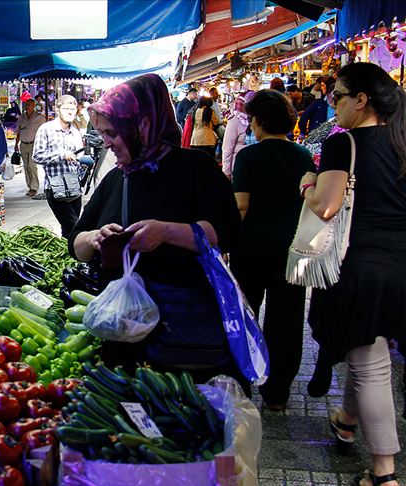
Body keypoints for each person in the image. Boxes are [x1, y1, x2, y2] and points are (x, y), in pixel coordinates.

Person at [72, 73, 243, 390]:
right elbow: (76, 243)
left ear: (143, 126)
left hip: (182, 335)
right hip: (123, 336)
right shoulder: (116, 179)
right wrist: (95, 239)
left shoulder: (195, 168)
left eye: (114, 133)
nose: (107, 142)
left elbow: (228, 233)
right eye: (102, 133)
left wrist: (166, 232)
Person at [301, 63, 405, 486]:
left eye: (338, 95)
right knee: (368, 347)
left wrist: (308, 183)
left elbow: (325, 207)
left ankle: (384, 472)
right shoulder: (401, 142)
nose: (332, 103)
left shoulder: (345, 144)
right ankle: (345, 420)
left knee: (370, 364)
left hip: (361, 265)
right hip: (400, 264)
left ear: (361, 101)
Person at [230, 89, 314, 411]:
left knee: (246, 314)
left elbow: (241, 206)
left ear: (260, 121)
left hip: (250, 250)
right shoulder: (303, 156)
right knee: (287, 320)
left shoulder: (248, 157)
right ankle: (278, 393)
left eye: (252, 119)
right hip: (292, 252)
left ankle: (241, 383)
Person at [33, 95, 84, 238]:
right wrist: (61, 155)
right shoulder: (46, 129)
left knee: (68, 230)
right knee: (74, 226)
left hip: (74, 187)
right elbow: (37, 156)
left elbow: (79, 158)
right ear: (57, 110)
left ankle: (68, 256)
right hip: (56, 188)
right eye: (66, 109)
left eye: (73, 109)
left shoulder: (75, 131)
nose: (70, 112)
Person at [15, 98, 47, 198]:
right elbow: (18, 132)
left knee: (31, 165)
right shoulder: (21, 117)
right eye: (26, 104)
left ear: (34, 106)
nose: (27, 106)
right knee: (26, 166)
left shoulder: (40, 117)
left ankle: (34, 187)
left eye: (29, 104)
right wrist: (16, 144)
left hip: (34, 144)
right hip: (23, 144)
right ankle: (29, 186)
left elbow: (44, 132)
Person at [221, 91, 254, 179]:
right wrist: (226, 171)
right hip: (238, 166)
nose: (238, 107)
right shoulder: (234, 121)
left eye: (242, 104)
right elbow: (227, 148)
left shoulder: (255, 120)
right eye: (236, 103)